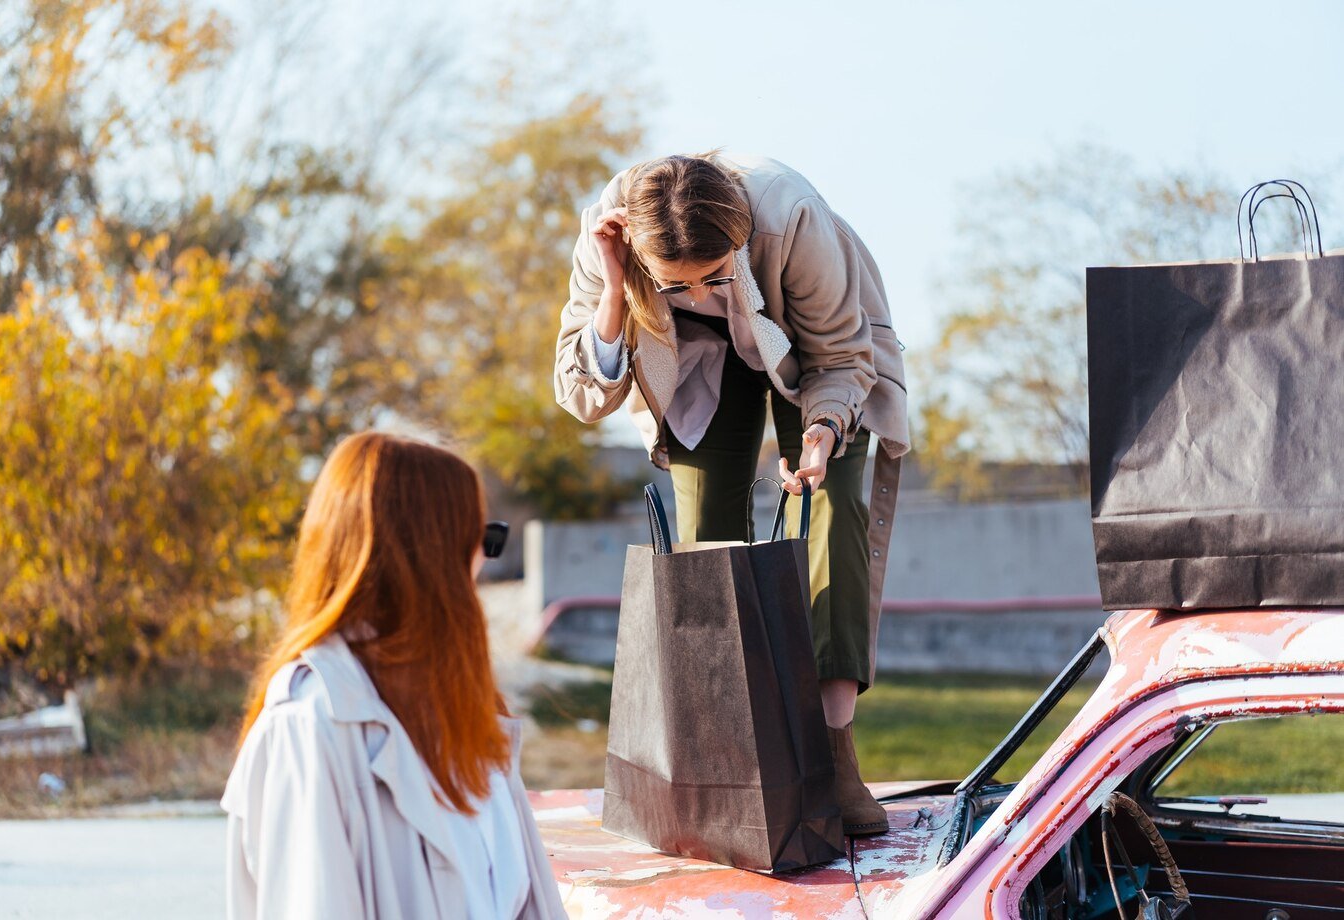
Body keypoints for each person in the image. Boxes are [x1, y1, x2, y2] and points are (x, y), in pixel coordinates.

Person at [554, 151, 909, 836]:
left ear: (738, 245)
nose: (696, 291)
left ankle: (835, 751)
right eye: (676, 283)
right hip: (696, 356)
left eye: (711, 278)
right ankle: (725, 756)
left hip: (813, 340)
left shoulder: (793, 218)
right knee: (703, 545)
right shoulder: (609, 234)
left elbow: (839, 357)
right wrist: (611, 290)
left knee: (830, 509)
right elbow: (581, 395)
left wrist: (817, 440)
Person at [221, 432, 566, 919]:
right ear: (428, 558)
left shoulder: (470, 722)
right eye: (482, 539)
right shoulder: (309, 729)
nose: (482, 565)